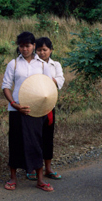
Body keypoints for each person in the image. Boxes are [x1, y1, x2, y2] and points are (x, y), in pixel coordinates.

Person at [1, 32, 54, 192]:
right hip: (16, 110)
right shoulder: (14, 64)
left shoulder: (43, 66)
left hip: (37, 111)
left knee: (36, 142)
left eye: (28, 46)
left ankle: (40, 179)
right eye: (21, 46)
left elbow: (49, 87)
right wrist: (14, 104)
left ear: (34, 46)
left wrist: (47, 107)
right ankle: (13, 178)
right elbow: (5, 86)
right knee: (15, 142)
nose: (24, 49)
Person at [33, 37, 65, 180]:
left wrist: (49, 80)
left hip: (49, 105)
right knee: (34, 138)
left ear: (51, 50)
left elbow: (60, 80)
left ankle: (48, 168)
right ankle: (33, 168)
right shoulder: (32, 64)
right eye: (39, 50)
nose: (42, 53)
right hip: (34, 105)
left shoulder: (55, 64)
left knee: (47, 137)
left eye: (45, 50)